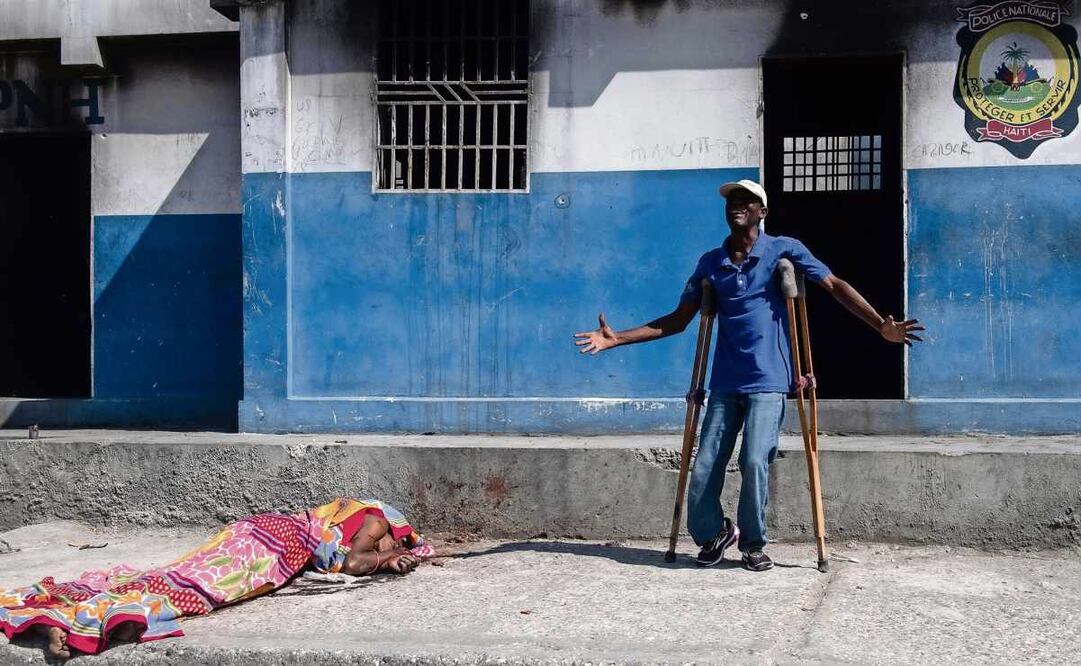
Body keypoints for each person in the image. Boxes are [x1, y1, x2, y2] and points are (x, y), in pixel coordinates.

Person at [574, 179, 922, 572]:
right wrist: (617, 338)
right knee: (704, 464)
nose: (736, 205)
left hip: (770, 381)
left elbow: (833, 285)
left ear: (762, 212)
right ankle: (713, 532)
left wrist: (880, 326)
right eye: (732, 201)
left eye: (746, 201)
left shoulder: (783, 250)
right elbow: (678, 321)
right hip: (724, 382)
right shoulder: (711, 262)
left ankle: (753, 544)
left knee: (755, 460)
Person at [0, 498, 434, 658]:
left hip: (261, 532)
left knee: (180, 575)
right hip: (276, 544)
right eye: (404, 542)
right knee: (207, 588)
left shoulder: (351, 517)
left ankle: (79, 614)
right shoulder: (379, 522)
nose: (396, 548)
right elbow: (354, 563)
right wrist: (388, 558)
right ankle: (96, 619)